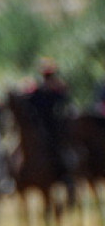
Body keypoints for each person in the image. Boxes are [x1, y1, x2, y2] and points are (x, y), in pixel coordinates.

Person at [26, 57, 76, 203]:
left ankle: (67, 177)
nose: (47, 77)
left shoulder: (58, 90)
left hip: (55, 128)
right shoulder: (35, 90)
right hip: (38, 127)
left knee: (64, 152)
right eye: (46, 75)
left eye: (49, 75)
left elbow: (65, 104)